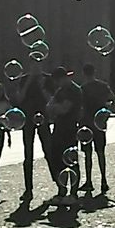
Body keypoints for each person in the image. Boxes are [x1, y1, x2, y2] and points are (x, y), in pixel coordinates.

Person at [45, 67, 83, 206]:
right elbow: (49, 107)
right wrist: (55, 107)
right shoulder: (60, 91)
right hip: (59, 128)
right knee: (57, 159)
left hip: (70, 129)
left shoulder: (74, 90)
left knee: (71, 159)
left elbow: (64, 108)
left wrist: (55, 107)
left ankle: (73, 193)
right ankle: (61, 191)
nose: (56, 83)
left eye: (57, 80)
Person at [14, 68, 52, 203]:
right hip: (27, 119)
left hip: (43, 118)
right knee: (28, 155)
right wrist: (29, 81)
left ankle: (60, 185)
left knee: (49, 151)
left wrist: (42, 87)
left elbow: (50, 100)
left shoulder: (47, 78)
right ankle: (28, 189)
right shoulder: (24, 79)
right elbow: (19, 98)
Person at [78, 63, 114, 194]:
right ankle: (104, 180)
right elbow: (112, 100)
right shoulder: (103, 86)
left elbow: (79, 106)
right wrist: (106, 110)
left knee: (87, 154)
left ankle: (89, 181)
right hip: (99, 123)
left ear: (84, 73)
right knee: (101, 153)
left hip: (86, 124)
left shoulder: (82, 88)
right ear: (94, 72)